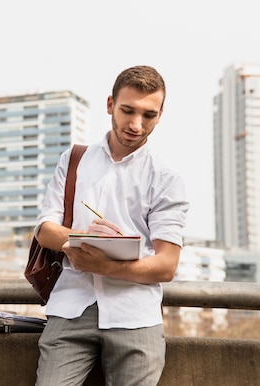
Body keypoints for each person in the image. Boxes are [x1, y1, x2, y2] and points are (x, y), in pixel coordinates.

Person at [34, 65, 189, 386]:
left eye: (148, 115)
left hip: (135, 314)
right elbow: (45, 230)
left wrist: (105, 265)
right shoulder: (74, 159)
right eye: (127, 111)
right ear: (109, 105)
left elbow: (166, 265)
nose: (136, 124)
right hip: (70, 307)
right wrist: (83, 238)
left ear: (161, 115)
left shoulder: (165, 177)